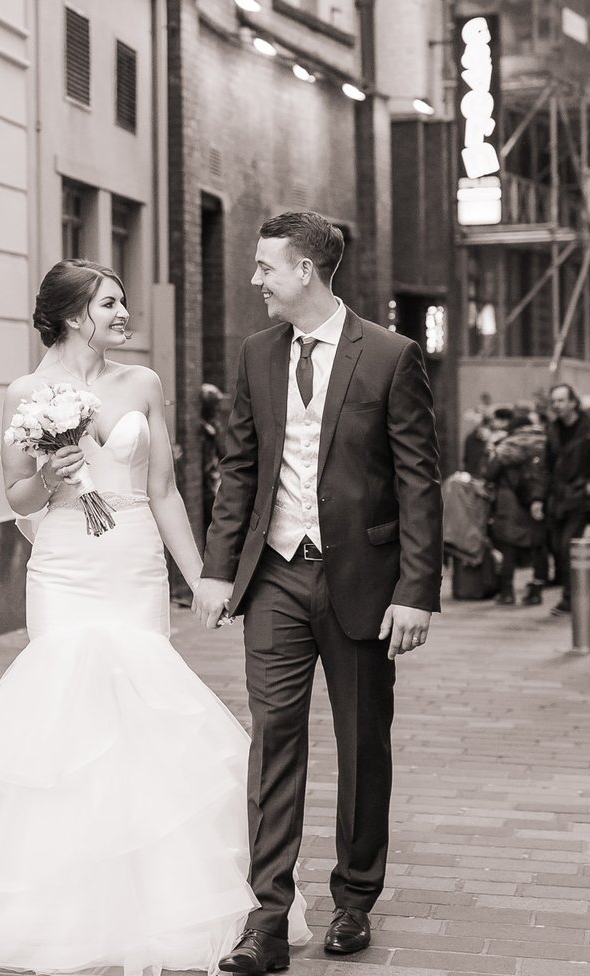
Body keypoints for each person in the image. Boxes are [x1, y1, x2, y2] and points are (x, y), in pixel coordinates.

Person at [0, 259, 310, 971]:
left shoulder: (143, 383)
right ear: (76, 314)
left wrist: (203, 578)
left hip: (131, 556)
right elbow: (15, 496)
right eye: (110, 303)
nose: (123, 312)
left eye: (123, 301)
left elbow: (165, 489)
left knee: (140, 708)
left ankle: (150, 892)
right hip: (66, 561)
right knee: (63, 707)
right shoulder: (24, 391)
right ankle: (51, 894)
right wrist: (53, 472)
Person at [194, 212, 443, 969]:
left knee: (363, 743)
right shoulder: (256, 354)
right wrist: (216, 567)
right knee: (273, 742)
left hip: (363, 583)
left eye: (266, 266)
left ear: (306, 270)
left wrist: (417, 589)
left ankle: (354, 898)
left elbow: (417, 479)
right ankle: (267, 918)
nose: (255, 279)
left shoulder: (391, 356)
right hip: (273, 577)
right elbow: (238, 468)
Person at [531, 384, 590, 614]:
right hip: (558, 498)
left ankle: (569, 598)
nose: (557, 406)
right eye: (554, 401)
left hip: (581, 497)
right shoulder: (553, 430)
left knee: (567, 547)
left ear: (573, 402)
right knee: (556, 547)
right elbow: (545, 467)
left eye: (561, 400)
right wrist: (538, 498)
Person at [483, 410, 546, 606]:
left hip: (509, 501)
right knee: (538, 546)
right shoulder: (544, 443)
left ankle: (507, 592)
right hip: (537, 499)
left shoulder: (506, 446)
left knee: (508, 545)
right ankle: (536, 591)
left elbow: (490, 473)